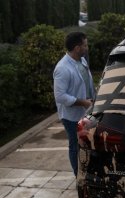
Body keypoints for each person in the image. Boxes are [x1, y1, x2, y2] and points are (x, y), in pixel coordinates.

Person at [53, 32, 95, 176]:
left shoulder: (81, 61)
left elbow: (86, 83)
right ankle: (78, 176)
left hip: (86, 111)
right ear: (77, 48)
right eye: (85, 45)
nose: (87, 47)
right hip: (71, 117)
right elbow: (60, 96)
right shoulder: (62, 68)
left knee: (87, 143)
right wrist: (82, 102)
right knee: (75, 145)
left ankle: (88, 169)